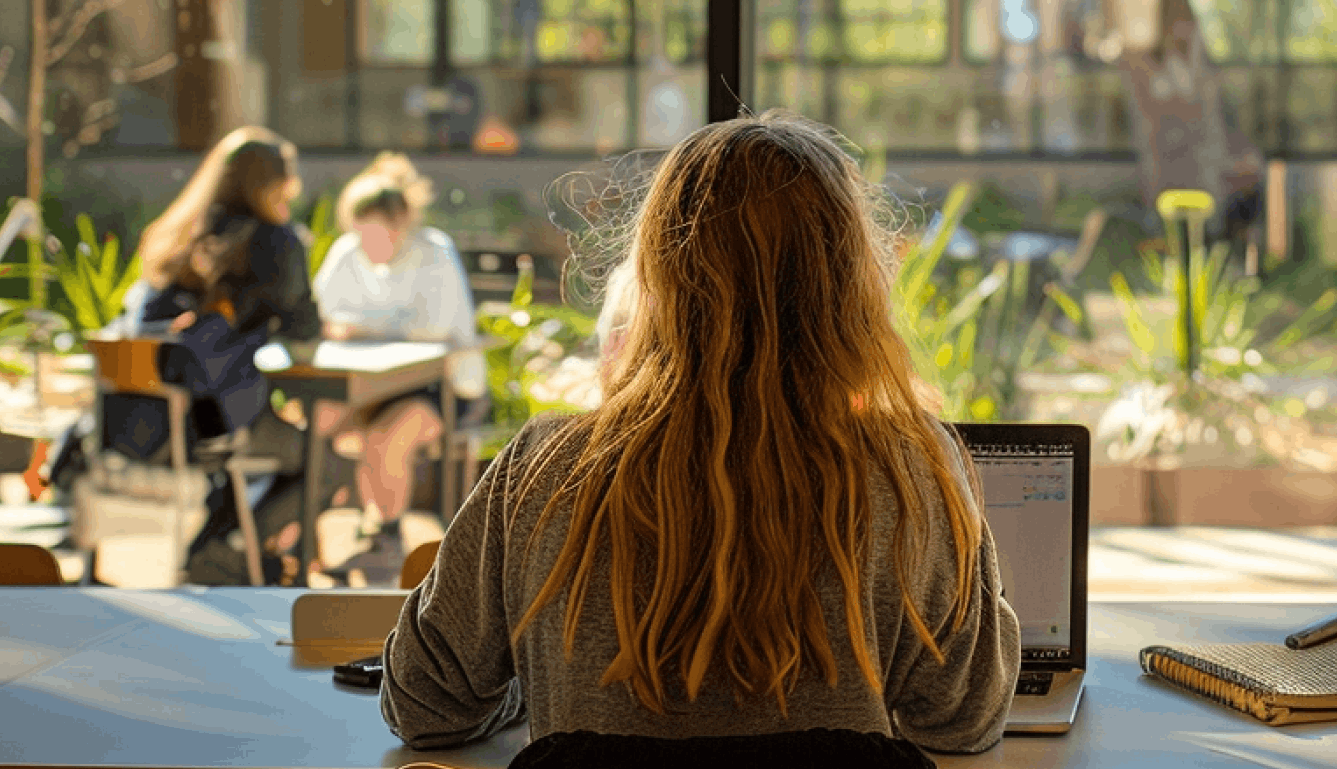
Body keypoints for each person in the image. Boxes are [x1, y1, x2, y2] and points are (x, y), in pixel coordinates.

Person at [377, 111, 1020, 760]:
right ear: (851, 289)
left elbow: (423, 704)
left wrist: (532, 681)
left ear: (655, 273)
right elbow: (964, 719)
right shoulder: (911, 471)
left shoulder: (543, 469)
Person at [103, 125, 325, 586]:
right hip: (210, 426)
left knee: (244, 450)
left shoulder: (175, 235)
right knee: (322, 461)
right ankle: (225, 551)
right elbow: (303, 331)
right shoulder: (273, 241)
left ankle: (217, 552)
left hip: (138, 425)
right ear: (275, 183)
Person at [309, 152, 489, 573]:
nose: (372, 245)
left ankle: (386, 538)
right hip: (371, 384)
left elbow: (433, 329)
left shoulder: (434, 252)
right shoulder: (347, 252)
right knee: (319, 421)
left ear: (403, 224)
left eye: (383, 234)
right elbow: (323, 315)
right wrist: (373, 329)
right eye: (364, 234)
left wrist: (360, 328)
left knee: (386, 438)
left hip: (439, 387)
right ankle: (299, 534)